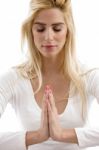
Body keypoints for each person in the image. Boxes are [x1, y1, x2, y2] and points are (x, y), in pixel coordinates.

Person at [0, 0, 99, 149]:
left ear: (68, 31)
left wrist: (62, 135)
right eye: (40, 29)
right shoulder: (13, 79)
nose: (48, 37)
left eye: (57, 29)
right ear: (30, 31)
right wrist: (36, 136)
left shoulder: (88, 76)